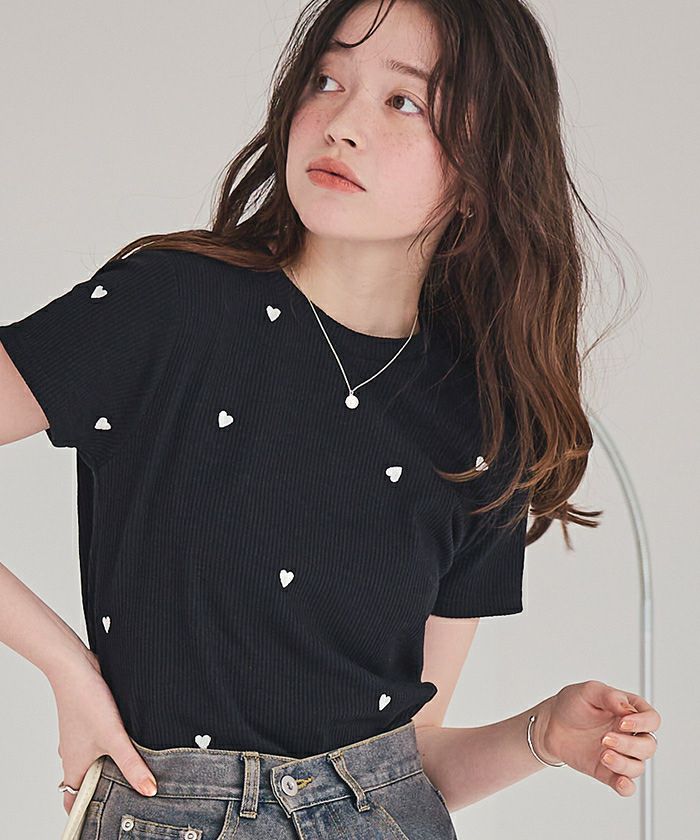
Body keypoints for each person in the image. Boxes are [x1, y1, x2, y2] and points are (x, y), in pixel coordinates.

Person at [0, 0, 660, 837]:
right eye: (326, 79)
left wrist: (544, 736)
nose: (342, 123)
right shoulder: (170, 307)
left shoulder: (486, 423)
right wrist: (68, 668)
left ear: (485, 172)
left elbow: (401, 764)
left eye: (403, 100)